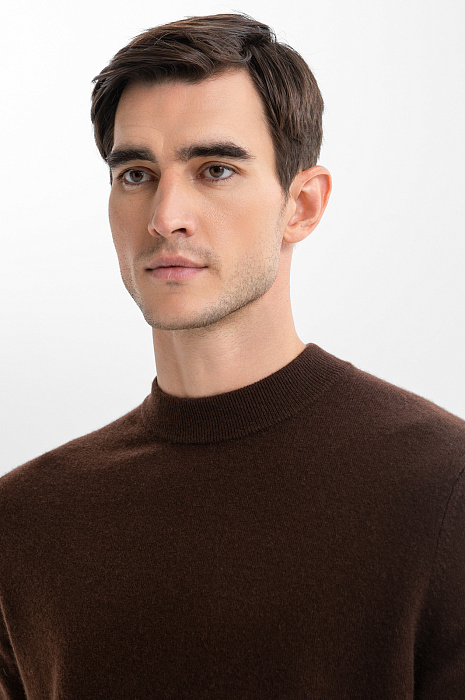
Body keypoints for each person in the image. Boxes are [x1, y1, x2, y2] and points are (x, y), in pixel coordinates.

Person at [0, 13, 464, 699]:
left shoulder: (442, 486)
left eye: (214, 170)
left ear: (301, 205)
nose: (165, 216)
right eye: (136, 174)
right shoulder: (25, 521)